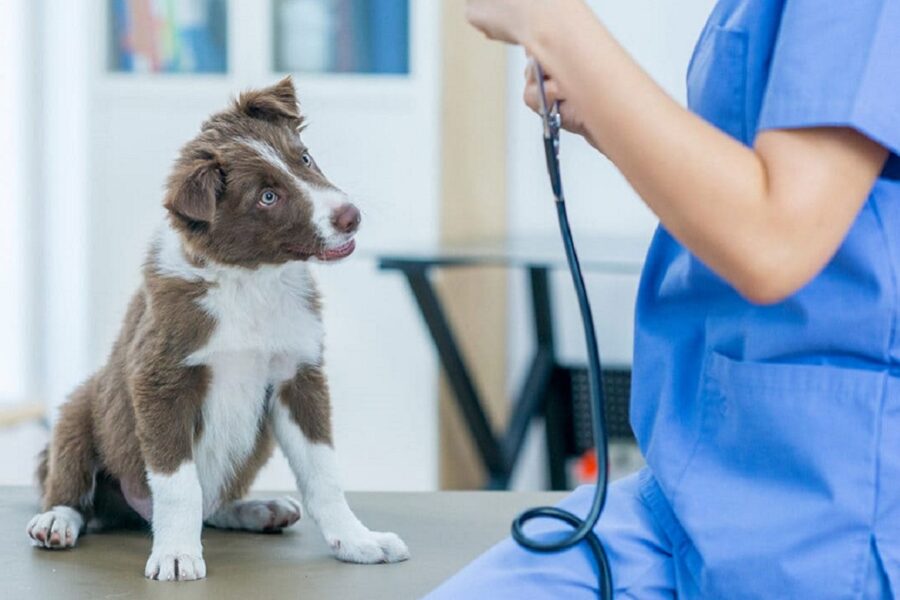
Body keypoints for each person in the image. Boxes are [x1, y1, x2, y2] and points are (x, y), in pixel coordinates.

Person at [428, 0, 900, 598]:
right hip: (694, 488)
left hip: (831, 512)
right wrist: (603, 112)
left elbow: (775, 241)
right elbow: (746, 189)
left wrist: (550, 19)